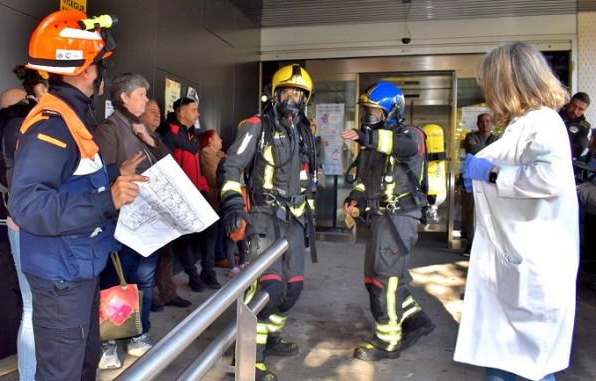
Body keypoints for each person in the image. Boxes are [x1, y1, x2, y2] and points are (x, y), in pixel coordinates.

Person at [7, 10, 146, 380]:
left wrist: (116, 175)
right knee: (62, 374)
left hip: (77, 267)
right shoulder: (52, 125)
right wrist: (106, 199)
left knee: (83, 366)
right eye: (99, 64)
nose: (102, 73)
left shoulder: (72, 118)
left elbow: (70, 180)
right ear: (85, 71)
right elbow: (28, 205)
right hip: (61, 276)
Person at [453, 41, 579, 381]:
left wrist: (491, 173)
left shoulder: (543, 122)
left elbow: (548, 179)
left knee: (524, 370)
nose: (486, 90)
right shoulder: (523, 123)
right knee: (509, 365)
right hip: (516, 261)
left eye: (489, 81)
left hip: (533, 267)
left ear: (508, 81)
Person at [220, 64, 318, 381]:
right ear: (275, 94)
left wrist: (307, 214)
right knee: (267, 290)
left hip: (295, 221)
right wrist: (234, 203)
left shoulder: (304, 133)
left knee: (293, 289)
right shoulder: (255, 126)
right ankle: (249, 355)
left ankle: (270, 338)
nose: (293, 99)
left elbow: (307, 178)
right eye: (287, 91)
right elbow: (231, 167)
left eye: (299, 94)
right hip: (263, 217)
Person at [340, 82, 435, 362]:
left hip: (399, 217)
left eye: (374, 111)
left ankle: (387, 342)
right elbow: (365, 178)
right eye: (367, 111)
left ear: (392, 111)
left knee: (385, 282)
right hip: (380, 217)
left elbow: (399, 146)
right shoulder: (373, 139)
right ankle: (416, 319)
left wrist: (366, 136)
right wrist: (356, 195)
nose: (369, 116)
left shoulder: (411, 135)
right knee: (374, 279)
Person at [93, 72, 169, 369]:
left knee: (144, 279)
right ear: (123, 97)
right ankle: (109, 341)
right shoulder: (109, 129)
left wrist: (149, 138)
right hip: (123, 219)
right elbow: (103, 175)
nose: (146, 100)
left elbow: (167, 162)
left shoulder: (143, 128)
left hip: (150, 218)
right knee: (116, 280)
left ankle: (140, 333)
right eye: (140, 94)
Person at [0, 65, 48, 381]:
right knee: (35, 310)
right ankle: (30, 374)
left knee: (31, 308)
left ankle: (30, 374)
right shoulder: (23, 129)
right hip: (31, 224)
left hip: (16, 222)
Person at [158, 97, 221, 292]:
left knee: (212, 227)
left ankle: (207, 271)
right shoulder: (167, 134)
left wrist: (202, 188)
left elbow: (199, 170)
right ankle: (193, 276)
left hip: (196, 194)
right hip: (178, 198)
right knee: (183, 238)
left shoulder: (192, 136)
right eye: (194, 110)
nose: (197, 113)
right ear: (182, 112)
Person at [141, 100, 192, 309]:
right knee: (147, 256)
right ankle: (150, 296)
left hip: (164, 201)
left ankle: (168, 293)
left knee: (166, 251)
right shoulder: (133, 136)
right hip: (144, 203)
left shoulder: (159, 137)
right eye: (152, 111)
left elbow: (169, 162)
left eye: (158, 111)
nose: (157, 114)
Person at [200, 129, 241, 276]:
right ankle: (220, 257)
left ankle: (224, 255)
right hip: (213, 198)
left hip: (222, 198)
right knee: (215, 231)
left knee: (224, 229)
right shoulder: (206, 154)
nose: (221, 141)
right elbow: (213, 177)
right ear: (210, 140)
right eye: (218, 138)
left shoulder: (220, 155)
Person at [460, 113, 498, 256]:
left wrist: (484, 152)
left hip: (491, 181)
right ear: (477, 124)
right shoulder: (471, 136)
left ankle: (488, 245)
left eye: (488, 121)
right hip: (473, 181)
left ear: (492, 123)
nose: (485, 124)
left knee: (490, 213)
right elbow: (473, 150)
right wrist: (491, 152)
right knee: (472, 214)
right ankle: (470, 244)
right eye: (481, 122)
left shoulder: (497, 138)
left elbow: (500, 155)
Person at [559, 91, 591, 159]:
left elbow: (577, 151)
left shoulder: (584, 127)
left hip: (563, 159)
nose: (575, 111)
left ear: (584, 110)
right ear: (569, 103)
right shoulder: (555, 114)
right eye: (574, 106)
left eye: (580, 109)